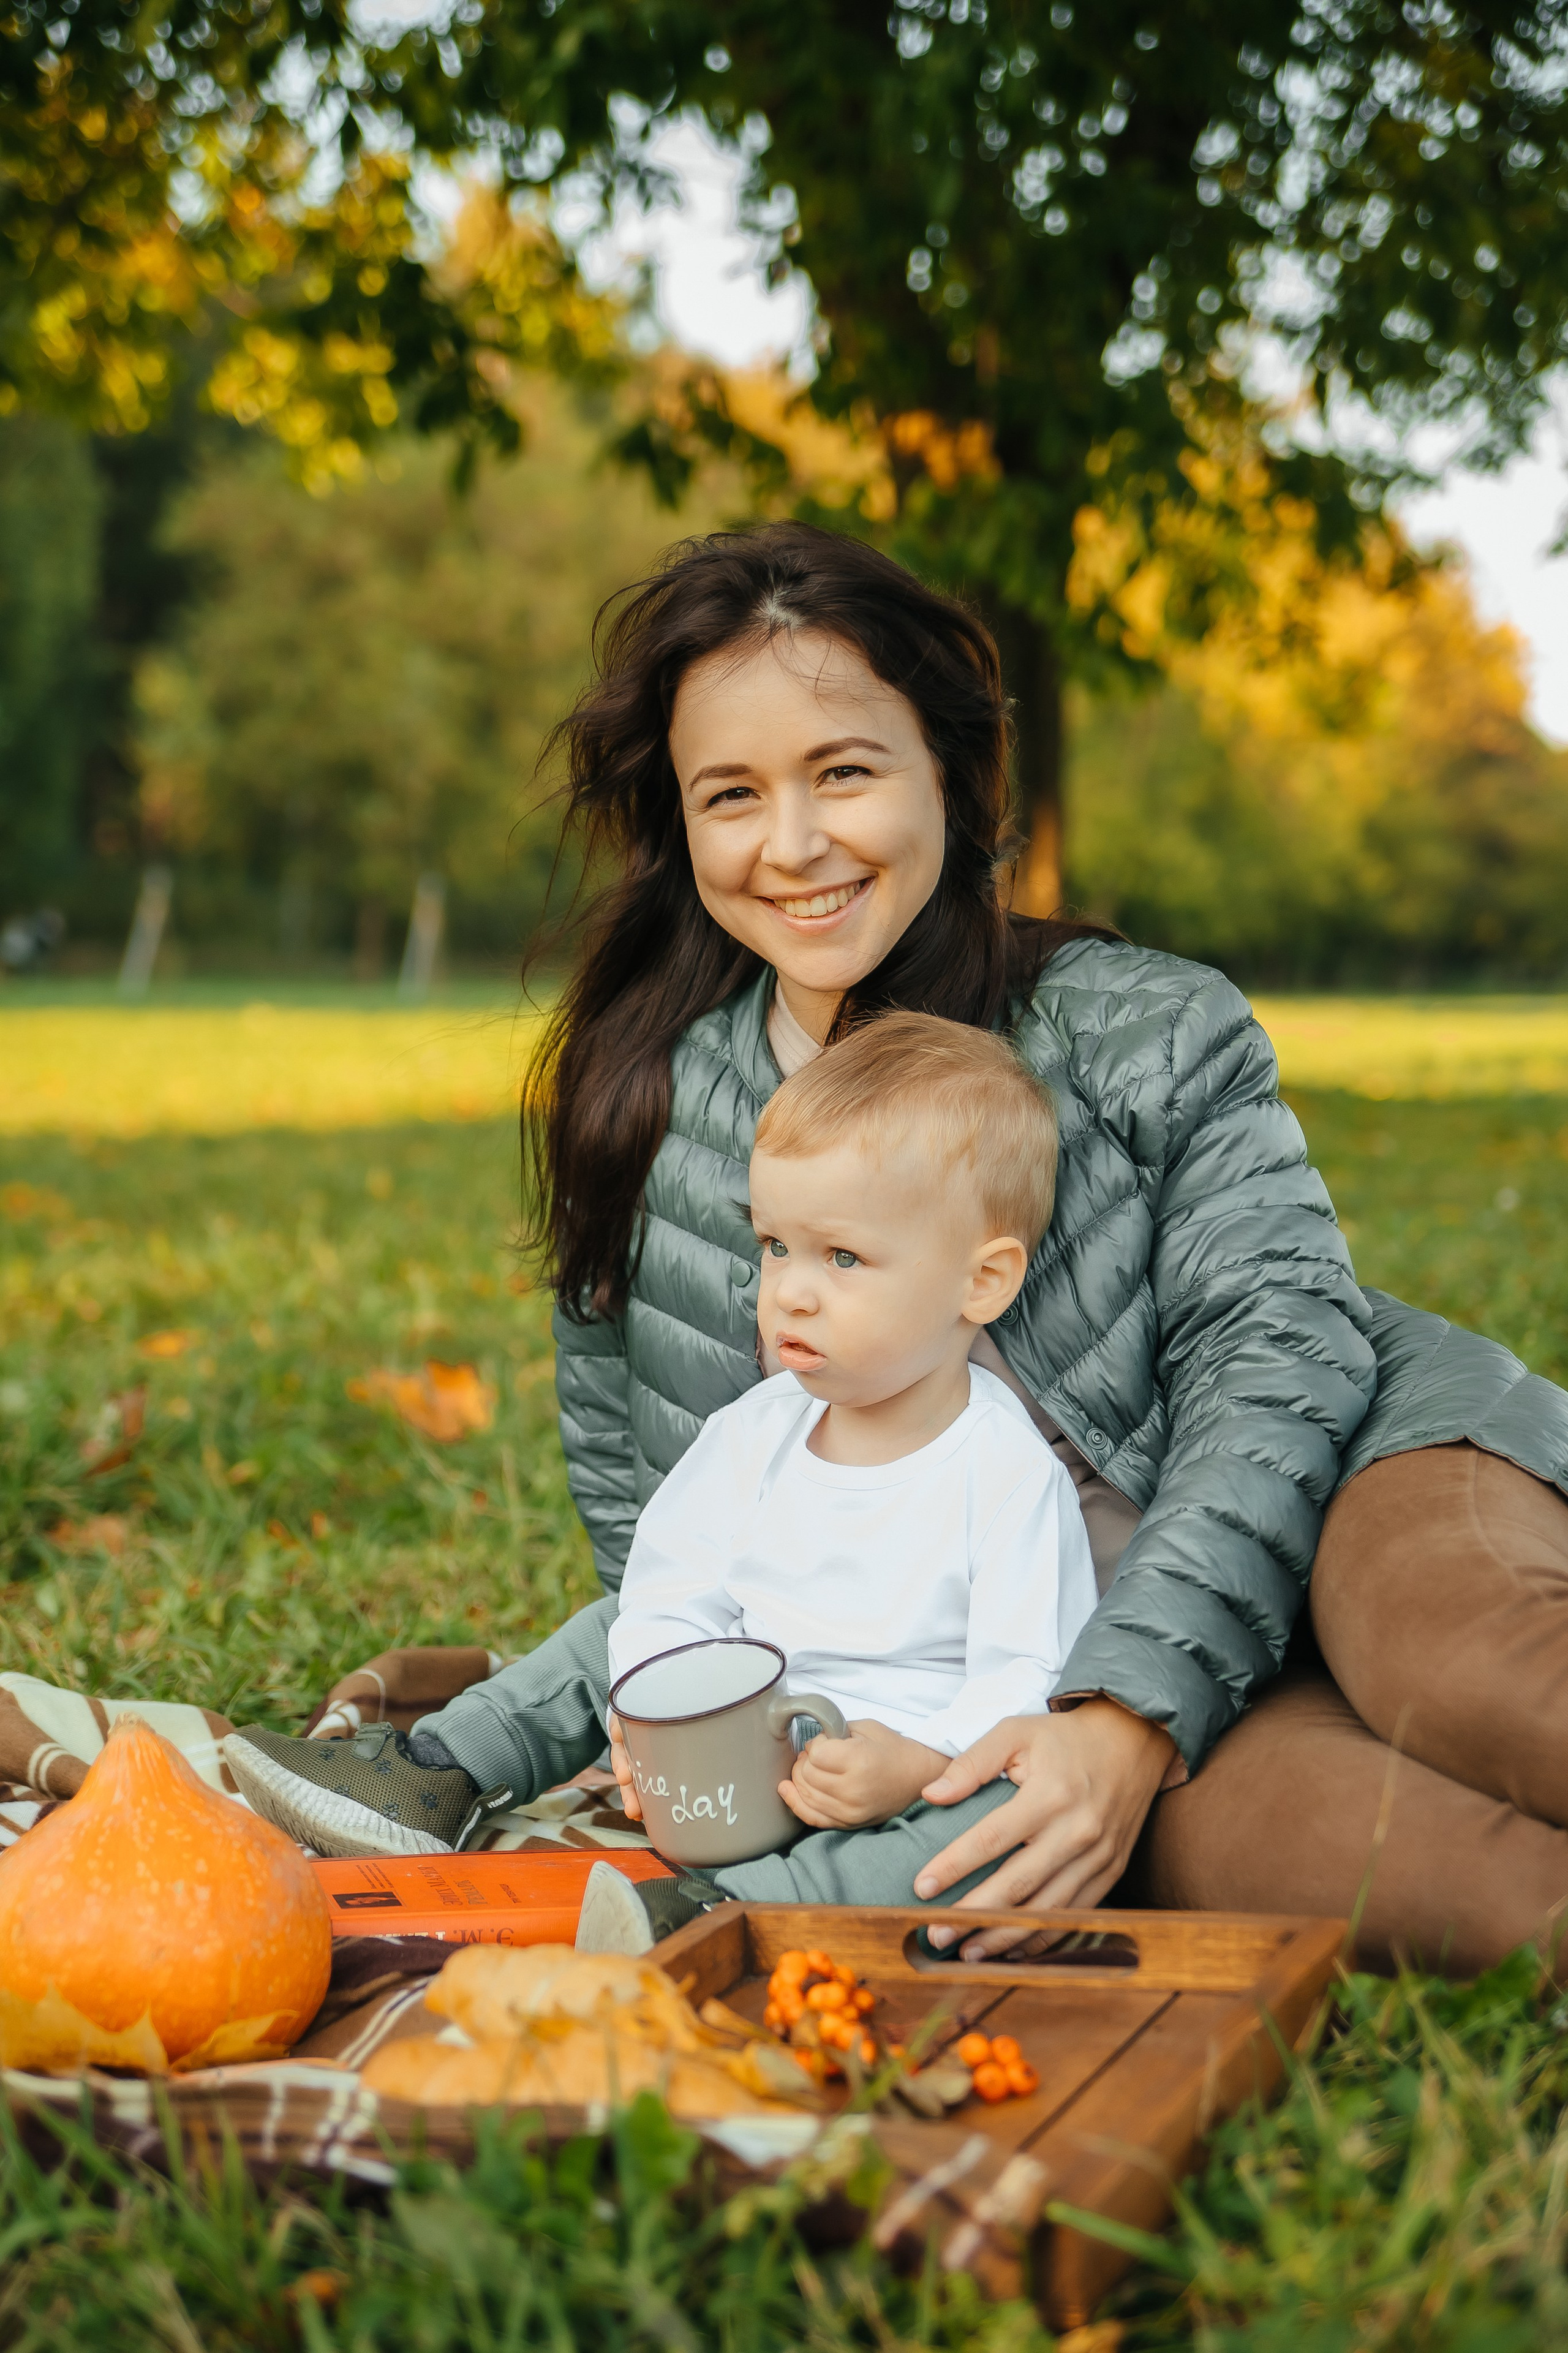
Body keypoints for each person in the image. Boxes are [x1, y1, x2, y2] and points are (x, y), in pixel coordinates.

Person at [230, 522, 1568, 1974]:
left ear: (949, 769)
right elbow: (672, 1523)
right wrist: (728, 1731)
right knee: (1403, 1883)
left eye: (844, 772)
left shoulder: (1139, 1025)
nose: (792, 844)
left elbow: (1279, 1361)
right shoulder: (651, 1114)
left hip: (1352, 1467)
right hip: (1045, 1691)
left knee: (1462, 1671)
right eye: (729, 793)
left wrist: (1125, 1714)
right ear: (679, 825)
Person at [227, 1014, 1101, 1917]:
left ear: (983, 1282)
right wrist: (651, 1716)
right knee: (610, 1632)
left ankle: (728, 1911)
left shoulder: (1003, 1472)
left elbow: (1024, 1680)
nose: (790, 1289)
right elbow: (670, 1586)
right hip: (734, 1751)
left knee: (996, 1819)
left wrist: (917, 1761)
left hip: (889, 1780)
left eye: (843, 1256)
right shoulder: (759, 1430)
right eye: (776, 1247)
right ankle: (435, 1776)